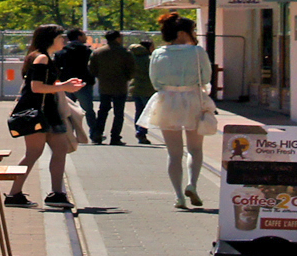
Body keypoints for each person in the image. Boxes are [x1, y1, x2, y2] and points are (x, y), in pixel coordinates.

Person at [139, 12, 217, 209]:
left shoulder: (158, 53)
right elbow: (206, 77)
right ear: (183, 33)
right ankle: (192, 184)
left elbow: (155, 81)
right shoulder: (197, 52)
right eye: (192, 30)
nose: (194, 34)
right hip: (193, 99)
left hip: (167, 101)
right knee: (195, 148)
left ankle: (178, 196)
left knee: (173, 153)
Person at [5, 24, 84, 208]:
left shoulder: (44, 57)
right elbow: (36, 87)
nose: (63, 40)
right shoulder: (41, 58)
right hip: (37, 113)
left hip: (47, 112)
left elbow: (42, 85)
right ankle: (14, 194)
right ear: (50, 39)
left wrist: (64, 84)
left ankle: (57, 193)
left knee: (60, 149)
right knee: (34, 153)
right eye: (60, 37)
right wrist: (64, 86)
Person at [90, 30, 135, 144]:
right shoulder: (125, 52)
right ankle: (115, 136)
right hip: (120, 85)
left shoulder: (98, 52)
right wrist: (127, 78)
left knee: (103, 110)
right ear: (117, 38)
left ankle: (98, 134)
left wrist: (100, 76)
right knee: (118, 112)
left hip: (104, 85)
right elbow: (132, 69)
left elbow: (92, 68)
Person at [57, 28, 97, 124]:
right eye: (84, 35)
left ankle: (69, 133)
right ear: (79, 37)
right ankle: (94, 133)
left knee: (67, 110)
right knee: (88, 110)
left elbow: (56, 67)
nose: (86, 37)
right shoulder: (87, 51)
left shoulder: (62, 51)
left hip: (66, 83)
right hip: (84, 82)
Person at [129, 36, 156, 145]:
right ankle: (141, 131)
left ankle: (139, 130)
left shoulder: (132, 57)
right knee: (147, 112)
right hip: (147, 88)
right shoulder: (149, 60)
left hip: (135, 87)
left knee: (138, 111)